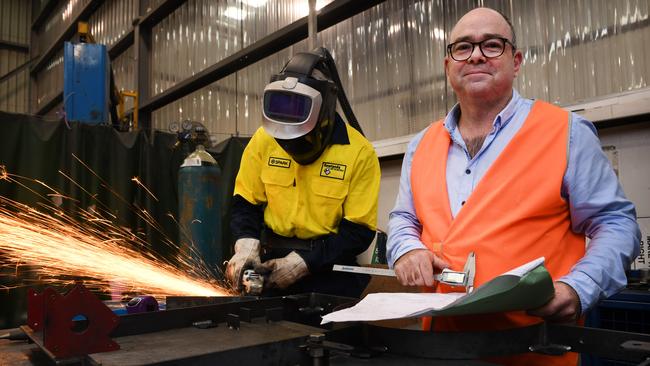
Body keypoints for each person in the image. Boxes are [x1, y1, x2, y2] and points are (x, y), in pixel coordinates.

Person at [386, 7, 640, 366]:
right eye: (462, 47)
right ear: (448, 66)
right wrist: (406, 250)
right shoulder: (421, 144)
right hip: (441, 349)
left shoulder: (565, 133)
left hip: (535, 347)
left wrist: (577, 288)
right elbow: (402, 218)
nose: (475, 54)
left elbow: (616, 224)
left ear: (516, 61)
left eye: (492, 45)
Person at [225, 47, 380, 298]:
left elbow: (358, 232)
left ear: (324, 110)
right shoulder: (263, 140)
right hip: (271, 265)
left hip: (330, 271)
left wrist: (302, 264)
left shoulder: (360, 152)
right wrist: (246, 245)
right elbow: (245, 203)